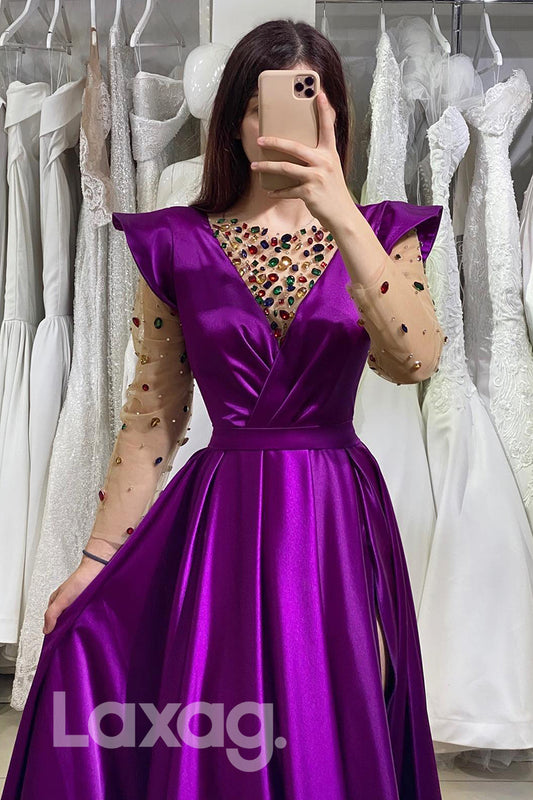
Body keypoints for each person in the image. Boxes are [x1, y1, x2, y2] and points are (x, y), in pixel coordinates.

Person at [3, 19, 445, 800]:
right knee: (221, 719)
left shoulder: (382, 234)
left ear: (334, 118)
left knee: (331, 714)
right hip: (223, 517)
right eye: (261, 106)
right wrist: (94, 562)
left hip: (331, 514)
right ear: (235, 122)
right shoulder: (175, 244)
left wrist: (339, 211)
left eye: (309, 103)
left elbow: (412, 360)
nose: (281, 125)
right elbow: (152, 417)